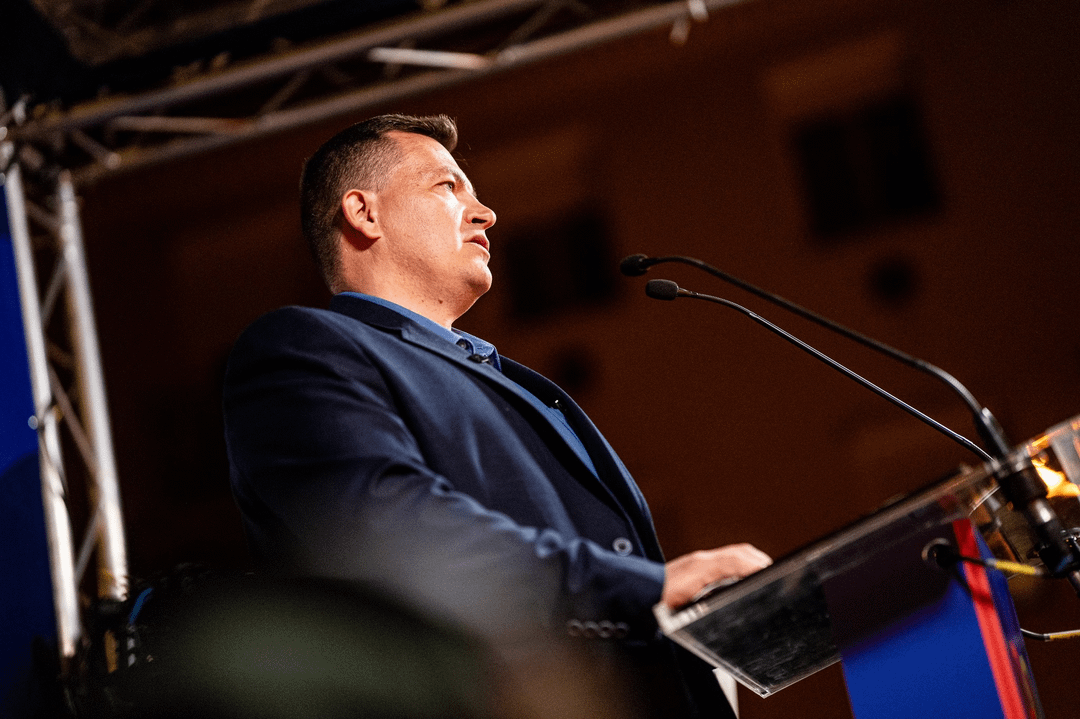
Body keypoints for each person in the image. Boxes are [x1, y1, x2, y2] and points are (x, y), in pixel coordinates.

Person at [222, 114, 771, 718]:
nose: (485, 213)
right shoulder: (301, 347)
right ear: (364, 213)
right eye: (447, 186)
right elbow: (391, 528)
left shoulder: (507, 377)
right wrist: (642, 588)